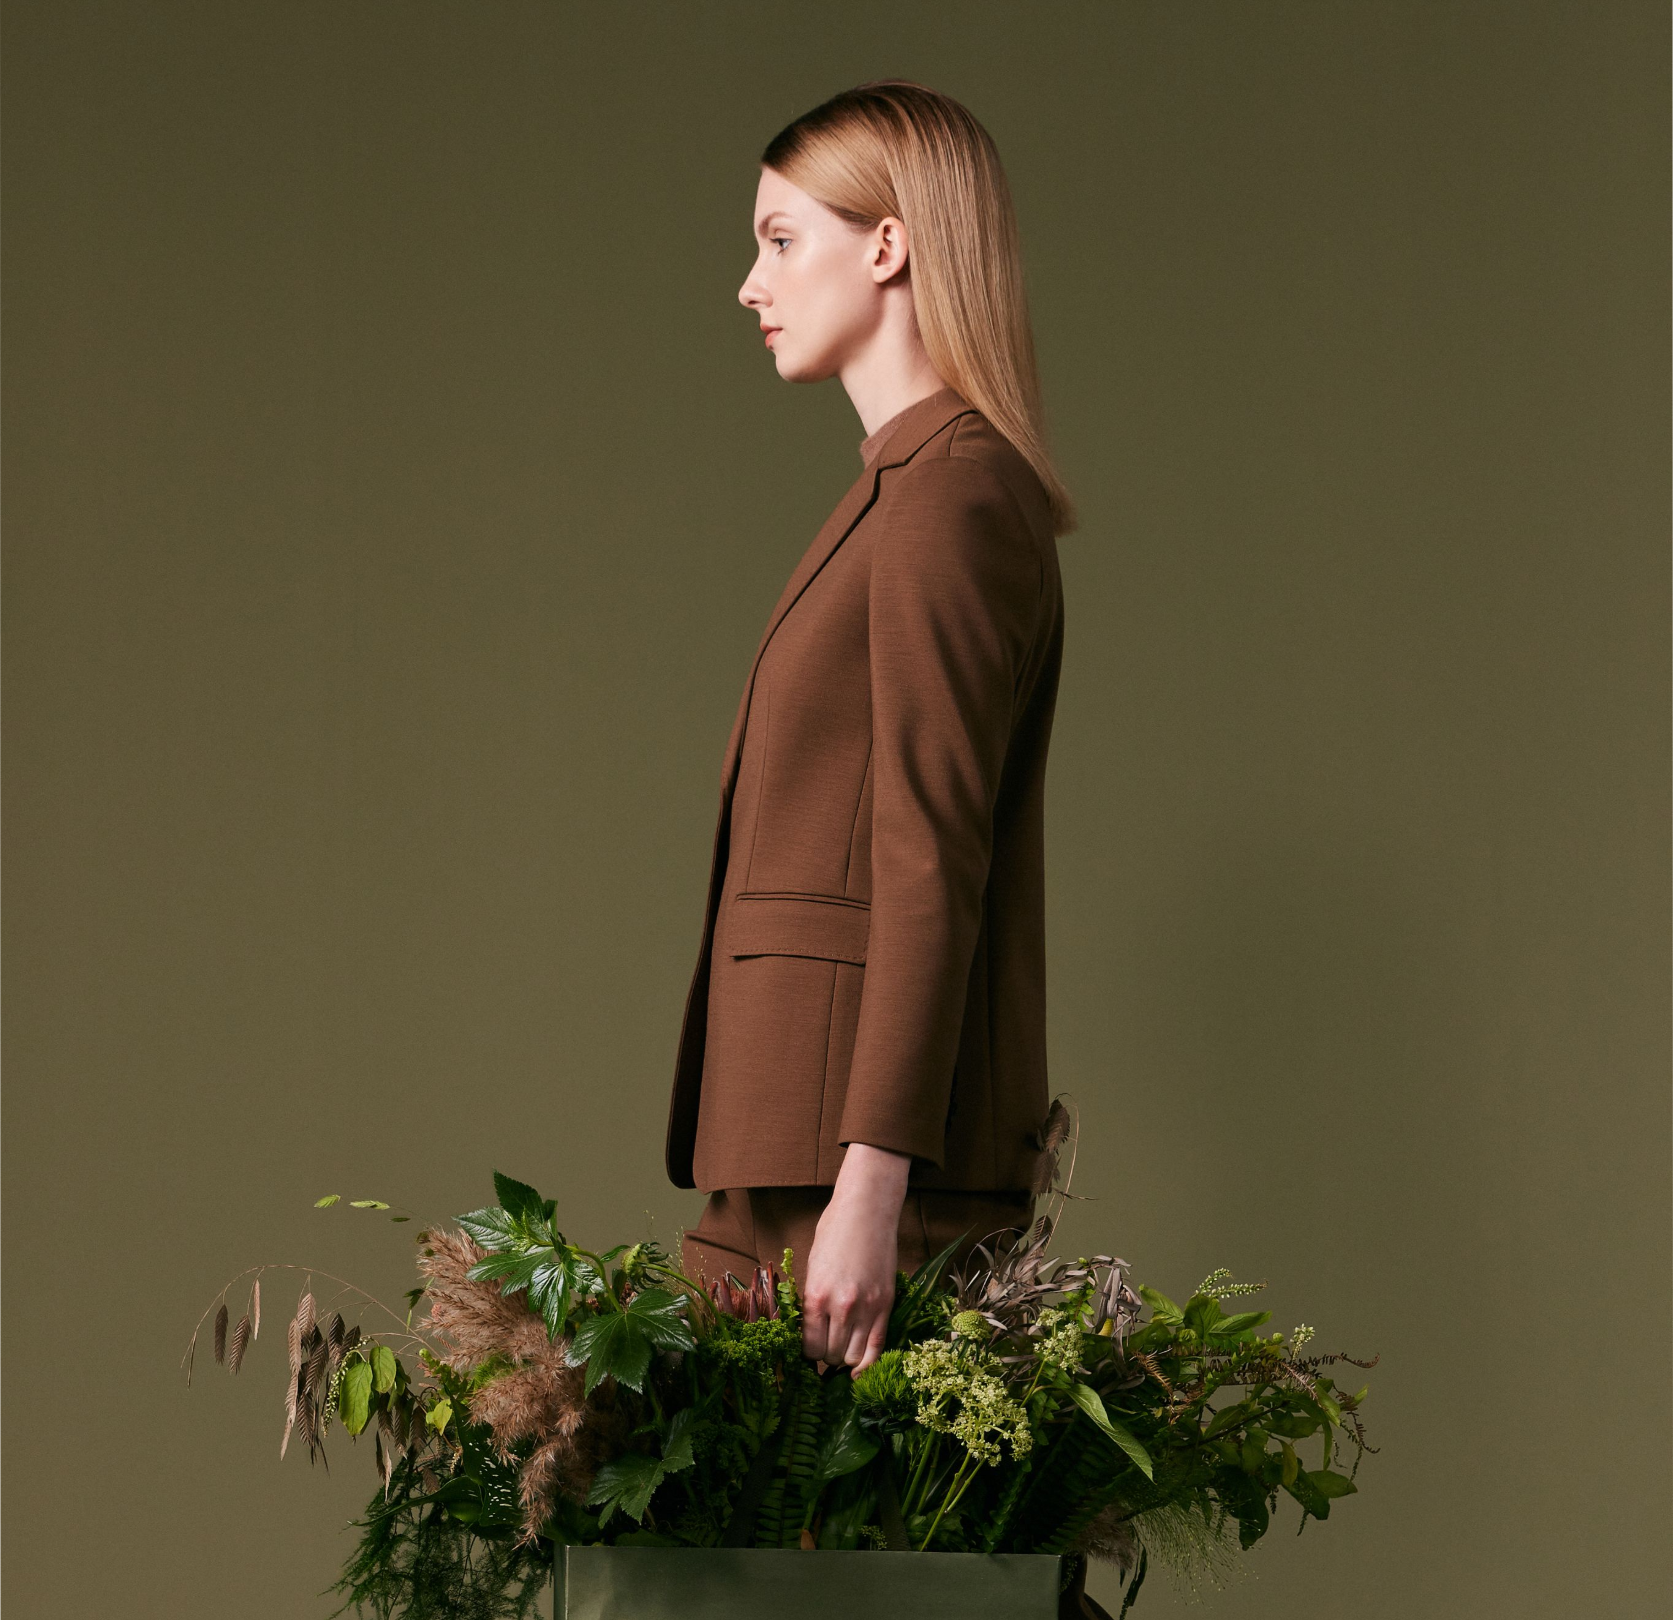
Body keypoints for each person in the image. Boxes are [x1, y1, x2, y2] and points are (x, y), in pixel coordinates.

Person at [666, 80, 1075, 1378]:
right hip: (791, 1140)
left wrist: (872, 1183)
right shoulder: (909, 488)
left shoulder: (951, 497)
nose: (751, 283)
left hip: (852, 1161)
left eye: (782, 239)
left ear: (888, 244)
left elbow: (930, 851)